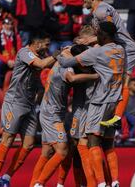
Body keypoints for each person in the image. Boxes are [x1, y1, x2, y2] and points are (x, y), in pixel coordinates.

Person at [57, 21, 124, 187]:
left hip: (99, 102)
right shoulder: (120, 50)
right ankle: (114, 181)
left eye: (99, 34)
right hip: (114, 103)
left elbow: (66, 63)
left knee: (91, 141)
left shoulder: (96, 52)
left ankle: (100, 183)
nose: (97, 36)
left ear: (103, 35)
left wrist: (61, 53)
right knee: (108, 144)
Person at [0, 32, 56, 187]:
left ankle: (6, 177)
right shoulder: (24, 52)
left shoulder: (40, 56)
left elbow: (37, 76)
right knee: (8, 138)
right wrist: (59, 55)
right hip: (15, 102)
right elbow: (40, 65)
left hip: (30, 105)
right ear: (37, 43)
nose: (47, 48)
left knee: (29, 144)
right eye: (45, 45)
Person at [31, 48, 99, 187]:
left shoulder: (64, 56)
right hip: (52, 113)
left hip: (53, 110)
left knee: (48, 151)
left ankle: (36, 184)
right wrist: (96, 76)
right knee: (63, 151)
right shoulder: (67, 64)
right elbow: (72, 78)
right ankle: (39, 183)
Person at [82, 0, 135, 128]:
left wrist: (92, 41)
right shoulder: (97, 12)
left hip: (126, 50)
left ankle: (118, 118)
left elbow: (109, 30)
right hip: (118, 49)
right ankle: (114, 115)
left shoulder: (102, 10)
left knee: (123, 82)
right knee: (115, 82)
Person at [0, 17, 22, 88]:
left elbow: (19, 51)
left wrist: (14, 60)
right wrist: (7, 61)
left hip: (14, 61)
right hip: (3, 61)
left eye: (11, 24)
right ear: (3, 25)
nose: (10, 26)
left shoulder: (17, 37)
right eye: (7, 24)